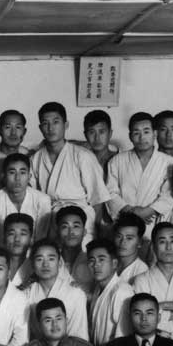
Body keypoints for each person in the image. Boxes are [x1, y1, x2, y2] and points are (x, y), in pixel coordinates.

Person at [30, 102, 108, 242]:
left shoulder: (82, 156)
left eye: (56, 122)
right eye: (45, 123)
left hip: (81, 221)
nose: (50, 128)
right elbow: (33, 198)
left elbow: (97, 200)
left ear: (65, 125)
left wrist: (96, 234)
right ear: (40, 128)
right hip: (49, 220)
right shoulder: (35, 159)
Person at [105, 112, 173, 225]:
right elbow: (110, 192)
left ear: (155, 134)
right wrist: (131, 212)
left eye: (146, 132)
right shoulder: (117, 161)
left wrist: (147, 212)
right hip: (125, 221)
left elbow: (169, 195)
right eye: (136, 133)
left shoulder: (168, 162)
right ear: (130, 136)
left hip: (154, 222)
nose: (142, 137)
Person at [23, 237, 89, 342]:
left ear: (60, 263)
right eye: (39, 259)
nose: (45, 264)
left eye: (51, 259)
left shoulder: (76, 294)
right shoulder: (26, 294)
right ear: (32, 264)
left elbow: (79, 335)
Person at [0, 153, 52, 238]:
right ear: (3, 176)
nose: (17, 178)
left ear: (29, 177)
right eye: (12, 172)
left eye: (22, 173)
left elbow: (41, 236)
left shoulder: (42, 200)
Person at [87, 239, 134, 346]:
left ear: (114, 263)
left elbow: (124, 336)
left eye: (101, 259)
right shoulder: (98, 288)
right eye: (92, 260)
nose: (96, 265)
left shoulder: (122, 291)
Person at [54, 205, 93, 291]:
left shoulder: (92, 262)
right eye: (65, 226)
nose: (71, 232)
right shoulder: (49, 262)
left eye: (76, 226)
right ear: (57, 232)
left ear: (84, 232)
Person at [112, 212, 149, 284]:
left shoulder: (142, 271)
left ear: (140, 242)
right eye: (119, 236)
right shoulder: (109, 263)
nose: (122, 242)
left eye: (129, 238)